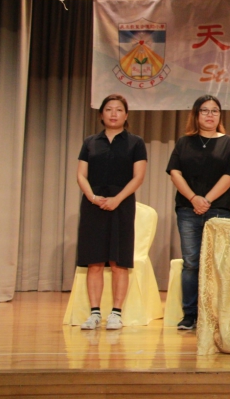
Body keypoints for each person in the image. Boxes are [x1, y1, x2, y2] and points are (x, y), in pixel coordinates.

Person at [166, 95, 230, 330]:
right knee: (191, 263)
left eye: (215, 110)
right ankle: (190, 314)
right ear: (196, 115)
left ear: (220, 115)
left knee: (217, 263)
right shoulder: (184, 142)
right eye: (205, 110)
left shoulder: (228, 143)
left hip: (218, 209)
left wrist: (206, 200)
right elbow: (175, 172)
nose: (210, 115)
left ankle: (214, 314)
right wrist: (193, 198)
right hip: (188, 210)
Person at [76, 94, 147, 331]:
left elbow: (138, 177)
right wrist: (92, 197)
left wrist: (117, 199)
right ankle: (94, 313)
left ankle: (116, 313)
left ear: (126, 115)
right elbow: (81, 175)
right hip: (93, 205)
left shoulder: (135, 143)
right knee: (94, 261)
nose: (113, 113)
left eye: (118, 110)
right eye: (108, 109)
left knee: (119, 261)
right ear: (101, 114)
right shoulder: (90, 142)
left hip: (122, 204)